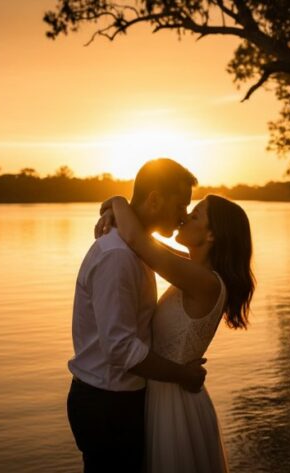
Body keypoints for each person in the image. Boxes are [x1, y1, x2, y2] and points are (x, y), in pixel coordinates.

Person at [67, 158, 208, 473]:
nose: (184, 215)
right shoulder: (118, 257)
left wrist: (116, 204)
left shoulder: (139, 248)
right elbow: (120, 348)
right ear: (155, 199)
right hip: (107, 404)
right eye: (181, 205)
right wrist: (182, 374)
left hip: (119, 400)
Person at [96, 192, 255, 473]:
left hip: (175, 402)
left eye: (194, 216)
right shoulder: (193, 270)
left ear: (211, 237)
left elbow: (138, 241)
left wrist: (118, 202)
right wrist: (116, 219)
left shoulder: (204, 281)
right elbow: (143, 241)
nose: (184, 218)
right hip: (169, 391)